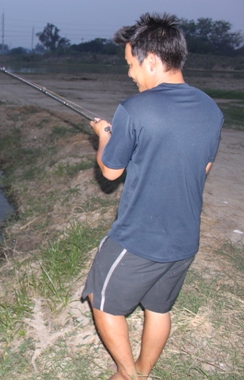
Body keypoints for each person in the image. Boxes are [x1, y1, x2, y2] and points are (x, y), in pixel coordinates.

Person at [82, 13, 224, 379]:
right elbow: (203, 168)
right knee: (158, 309)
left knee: (102, 302)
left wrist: (103, 135)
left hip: (140, 238)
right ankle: (144, 371)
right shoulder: (211, 109)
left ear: (153, 61)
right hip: (184, 239)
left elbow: (112, 171)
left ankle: (128, 374)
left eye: (131, 64)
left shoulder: (134, 109)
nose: (130, 74)